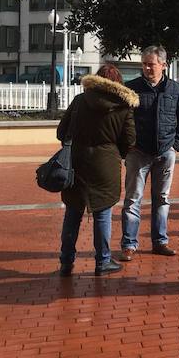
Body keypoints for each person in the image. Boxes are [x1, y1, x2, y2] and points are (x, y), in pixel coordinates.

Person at [57, 64, 137, 276]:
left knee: (72, 213)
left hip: (76, 162)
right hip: (105, 165)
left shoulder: (80, 101)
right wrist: (114, 152)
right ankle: (103, 261)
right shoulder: (123, 106)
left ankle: (66, 261)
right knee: (103, 214)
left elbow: (61, 131)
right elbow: (129, 140)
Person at [119, 46, 179, 261]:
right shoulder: (131, 88)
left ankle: (160, 241)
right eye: (145, 64)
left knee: (162, 198)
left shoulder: (175, 89)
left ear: (163, 65)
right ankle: (129, 244)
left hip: (165, 152)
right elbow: (122, 120)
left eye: (152, 64)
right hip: (138, 153)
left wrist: (176, 145)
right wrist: (127, 147)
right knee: (132, 199)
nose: (148, 67)